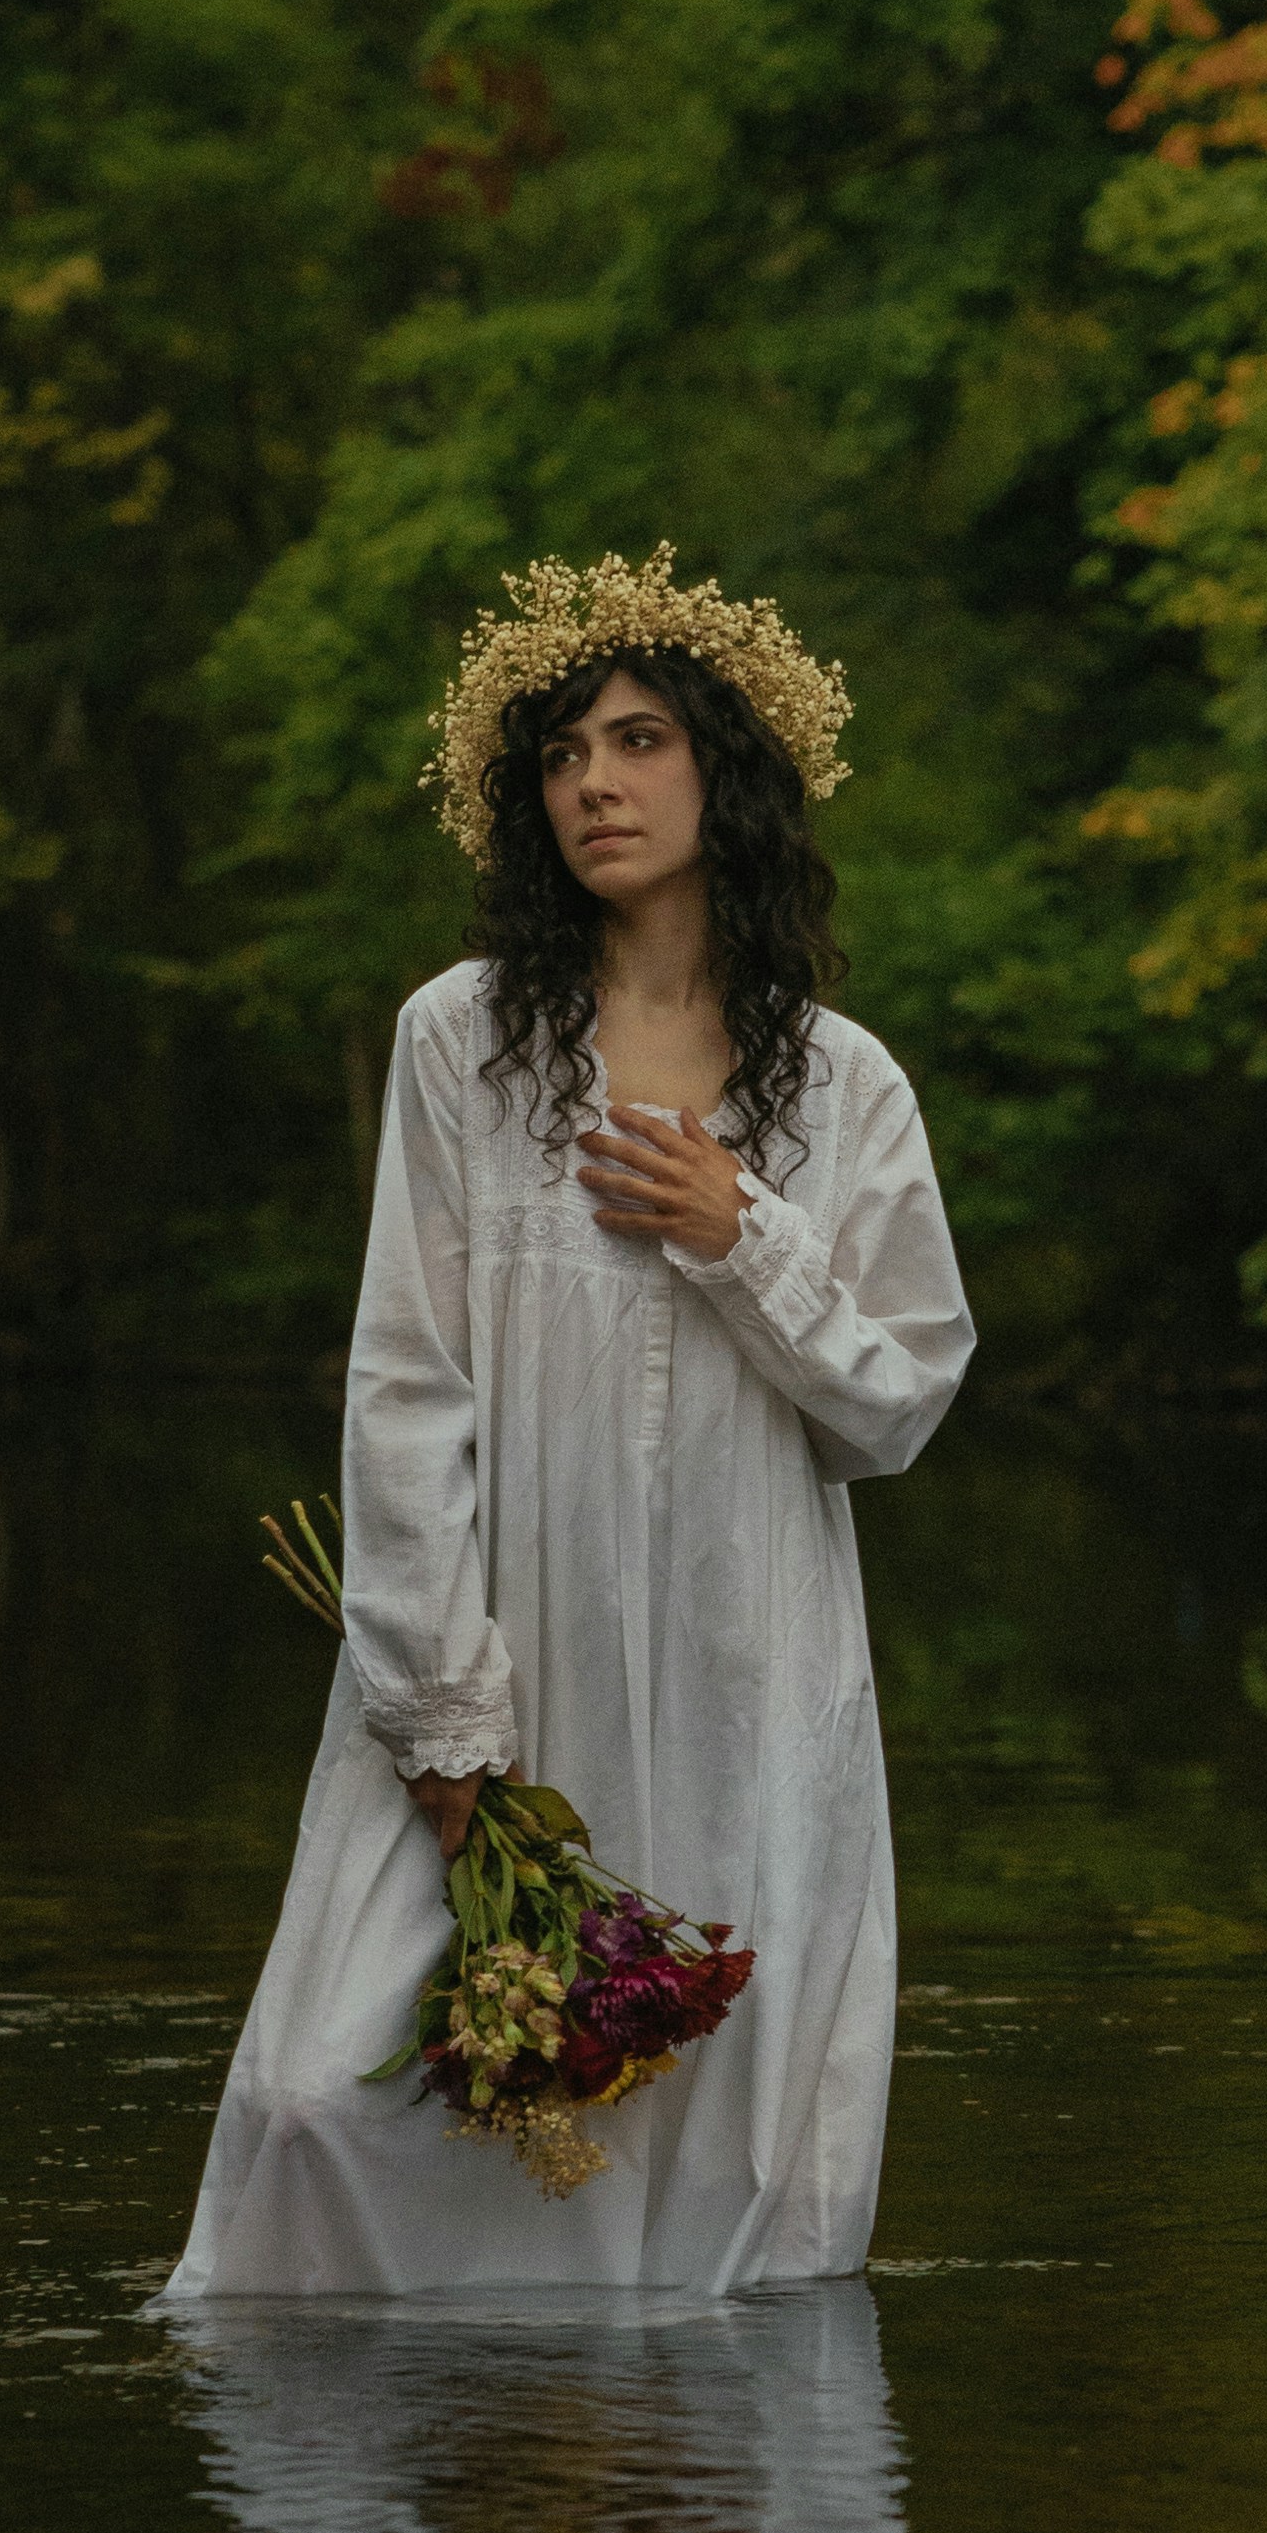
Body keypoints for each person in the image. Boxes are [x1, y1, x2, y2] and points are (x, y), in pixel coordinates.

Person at [153, 548, 973, 2299]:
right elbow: (402, 1385)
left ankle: (655, 2502)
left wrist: (742, 1236)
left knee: (715, 2137)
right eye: (558, 756)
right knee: (318, 2102)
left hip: (744, 1666)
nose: (594, 780)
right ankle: (416, 2473)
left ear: (724, 773)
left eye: (639, 739)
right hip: (499, 1658)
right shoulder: (468, 1047)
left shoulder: (842, 1084)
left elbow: (898, 1404)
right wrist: (443, 1723)